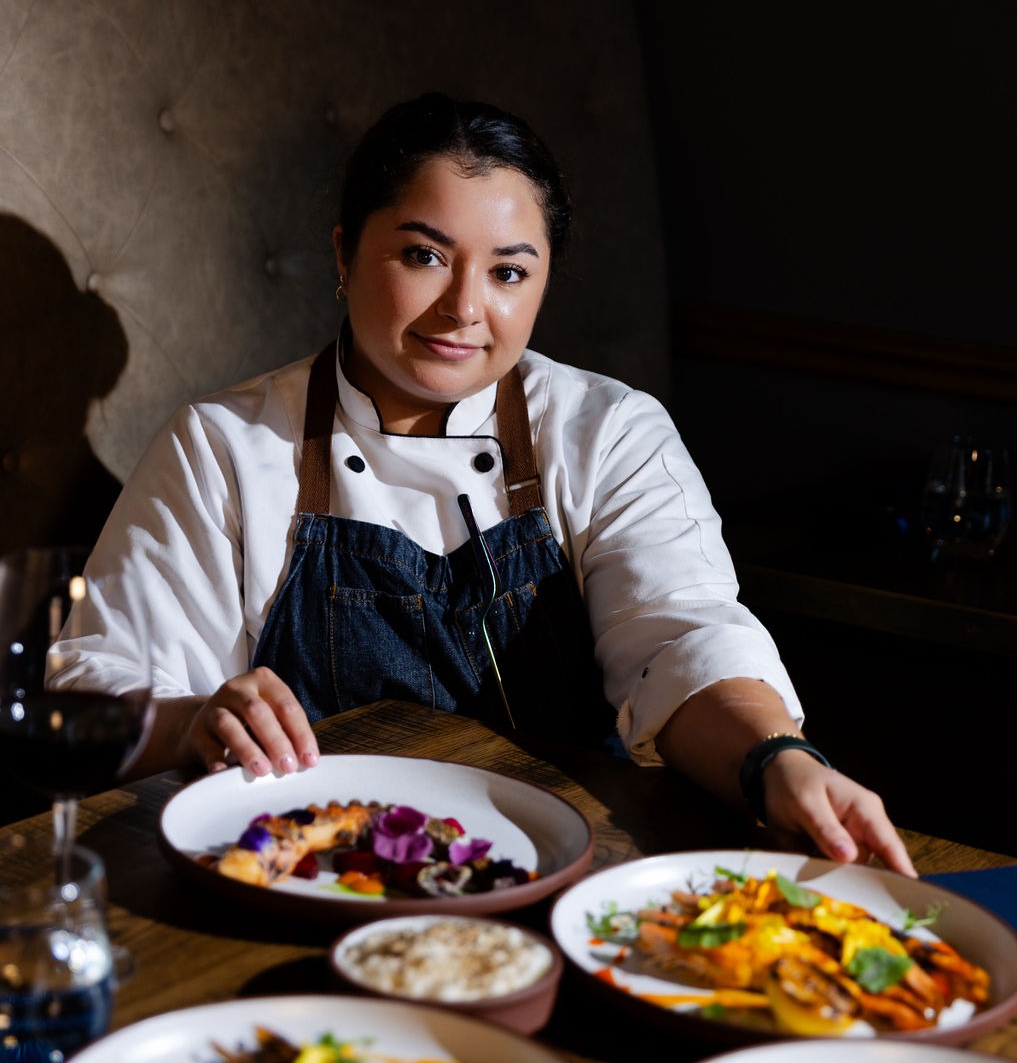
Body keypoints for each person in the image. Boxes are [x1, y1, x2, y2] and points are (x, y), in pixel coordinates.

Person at [49, 92, 915, 877]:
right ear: (345, 252)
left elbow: (680, 642)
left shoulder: (609, 431)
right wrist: (197, 716)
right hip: (316, 876)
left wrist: (775, 762)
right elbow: (99, 685)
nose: (465, 307)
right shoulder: (225, 447)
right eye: (424, 255)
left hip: (564, 865)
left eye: (507, 271)